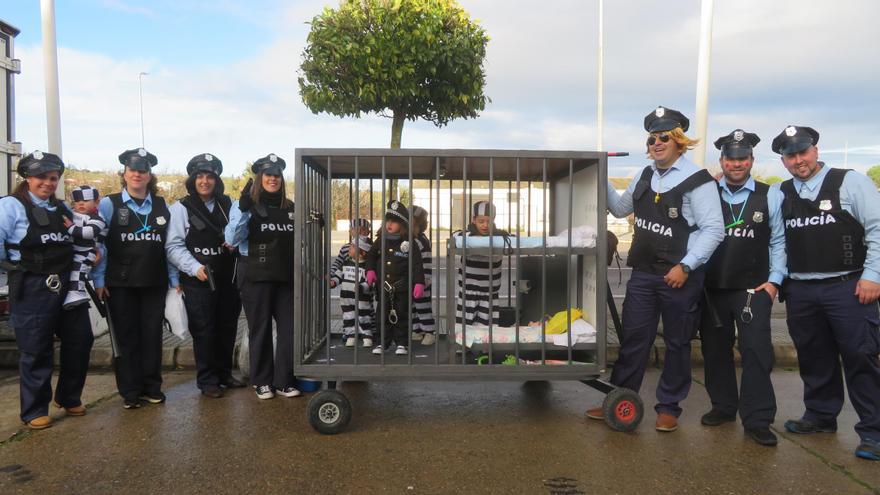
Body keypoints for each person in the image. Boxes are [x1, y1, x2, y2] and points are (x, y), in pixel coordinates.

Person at [587, 106, 725, 432]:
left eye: (664, 137)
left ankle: (669, 408)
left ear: (679, 141)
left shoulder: (698, 180)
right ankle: (618, 398)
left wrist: (686, 266)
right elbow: (621, 209)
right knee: (634, 339)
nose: (656, 143)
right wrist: (602, 174)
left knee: (677, 343)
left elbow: (714, 230)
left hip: (680, 276)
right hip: (645, 273)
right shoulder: (644, 174)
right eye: (652, 138)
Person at [772, 125, 880, 461]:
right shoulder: (780, 193)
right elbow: (775, 241)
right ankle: (820, 416)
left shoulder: (851, 182)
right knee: (813, 357)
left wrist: (873, 275)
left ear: (816, 150)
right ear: (783, 159)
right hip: (802, 290)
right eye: (791, 155)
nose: (798, 160)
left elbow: (877, 229)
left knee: (861, 357)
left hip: (848, 287)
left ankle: (874, 432)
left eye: (803, 152)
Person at [699, 129, 784, 447]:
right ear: (721, 160)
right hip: (711, 289)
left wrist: (775, 282)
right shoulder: (706, 192)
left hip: (753, 290)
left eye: (742, 158)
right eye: (731, 158)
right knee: (714, 352)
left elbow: (779, 242)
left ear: (751, 160)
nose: (737, 164)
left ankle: (758, 419)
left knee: (757, 353)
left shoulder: (769, 194)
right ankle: (722, 407)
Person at [0, 151, 94, 429]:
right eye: (41, 177)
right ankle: (34, 409)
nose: (48, 183)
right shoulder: (11, 206)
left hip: (67, 284)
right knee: (36, 350)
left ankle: (68, 396)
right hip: (31, 286)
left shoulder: (62, 208)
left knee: (81, 340)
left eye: (53, 178)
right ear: (27, 178)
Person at [92, 147, 173, 410]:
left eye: (143, 170)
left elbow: (168, 248)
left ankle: (152, 387)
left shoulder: (162, 206)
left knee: (152, 337)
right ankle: (130, 391)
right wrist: (99, 280)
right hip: (120, 284)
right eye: (132, 170)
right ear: (124, 174)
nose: (137, 174)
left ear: (150, 175)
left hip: (154, 282)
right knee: (126, 338)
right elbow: (99, 245)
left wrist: (174, 280)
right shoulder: (109, 204)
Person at [166, 153, 244, 399]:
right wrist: (194, 267)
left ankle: (223, 373)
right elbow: (173, 246)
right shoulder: (180, 208)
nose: (205, 181)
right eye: (200, 176)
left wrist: (235, 241)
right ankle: (207, 379)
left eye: (210, 176)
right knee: (204, 331)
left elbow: (240, 233)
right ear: (192, 179)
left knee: (227, 328)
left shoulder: (229, 204)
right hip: (198, 280)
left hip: (228, 279)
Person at [225, 154, 300, 400]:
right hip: (255, 274)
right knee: (261, 329)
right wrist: (244, 210)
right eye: (268, 175)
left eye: (277, 175)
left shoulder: (290, 207)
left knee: (289, 329)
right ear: (260, 177)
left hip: (284, 276)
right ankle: (262, 381)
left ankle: (284, 380)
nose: (272, 179)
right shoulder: (244, 204)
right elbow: (231, 240)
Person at [365, 200, 425, 355]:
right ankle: (381, 343)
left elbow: (417, 264)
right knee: (382, 316)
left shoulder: (410, 243)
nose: (389, 224)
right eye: (388, 221)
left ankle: (402, 343)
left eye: (394, 222)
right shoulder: (381, 240)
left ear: (403, 224)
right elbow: (371, 255)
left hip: (402, 286)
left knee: (402, 315)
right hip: (384, 287)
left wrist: (419, 282)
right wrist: (370, 270)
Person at [454, 201, 509, 327]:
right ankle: (463, 347)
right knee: (464, 326)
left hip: (489, 292)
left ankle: (485, 347)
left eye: (489, 221)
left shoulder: (500, 236)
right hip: (468, 291)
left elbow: (513, 239)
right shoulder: (466, 234)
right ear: (474, 220)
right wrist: (474, 235)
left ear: (494, 220)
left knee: (487, 328)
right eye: (481, 221)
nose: (485, 225)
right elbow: (455, 236)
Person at [63, 185, 107, 310]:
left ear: (97, 202)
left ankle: (76, 292)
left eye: (86, 201)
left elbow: (89, 232)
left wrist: (71, 228)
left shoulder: (98, 219)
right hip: (71, 250)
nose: (81, 204)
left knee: (79, 270)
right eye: (77, 201)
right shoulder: (70, 213)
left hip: (86, 251)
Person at [330, 235, 375, 348]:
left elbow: (370, 283)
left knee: (364, 317)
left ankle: (367, 336)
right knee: (348, 317)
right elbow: (339, 275)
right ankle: (351, 336)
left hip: (362, 299)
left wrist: (361, 287)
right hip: (346, 297)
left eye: (353, 246)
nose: (349, 248)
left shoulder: (367, 267)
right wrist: (333, 282)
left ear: (363, 252)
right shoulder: (346, 262)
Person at [410, 205, 436, 345]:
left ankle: (429, 332)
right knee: (413, 306)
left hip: (422, 281)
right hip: (412, 279)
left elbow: (425, 263)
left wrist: (423, 281)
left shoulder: (421, 240)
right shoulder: (411, 239)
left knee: (423, 307)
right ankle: (417, 330)